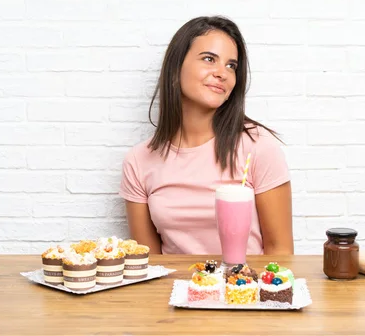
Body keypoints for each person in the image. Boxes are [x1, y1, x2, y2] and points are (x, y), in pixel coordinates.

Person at [119, 16, 293, 256]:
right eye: (209, 59)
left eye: (231, 66)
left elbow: (280, 252)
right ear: (175, 68)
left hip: (244, 291)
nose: (222, 73)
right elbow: (149, 264)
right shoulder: (138, 161)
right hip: (177, 293)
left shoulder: (258, 147)